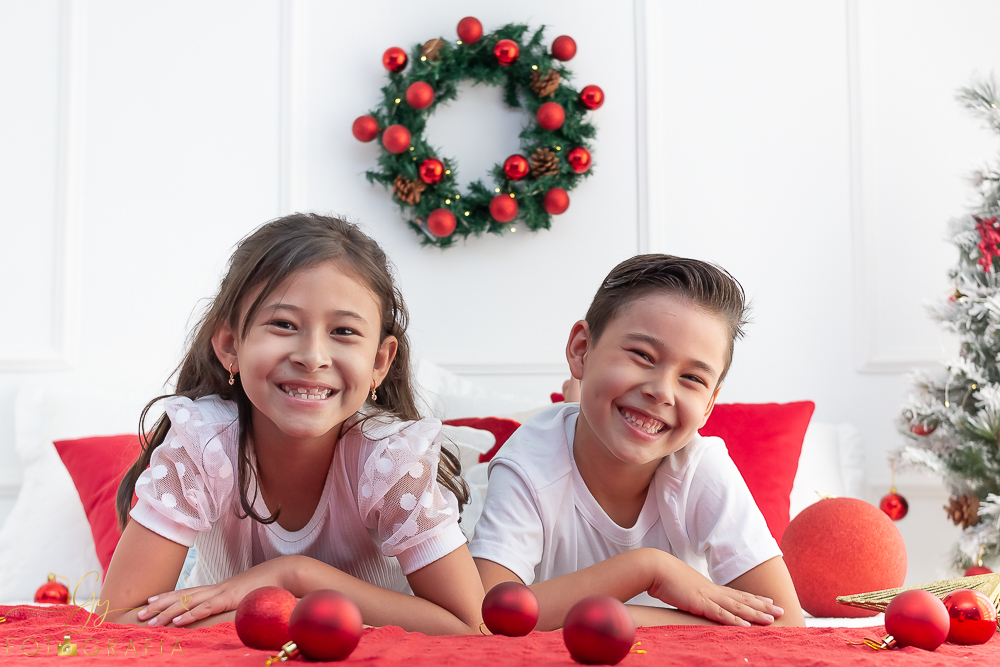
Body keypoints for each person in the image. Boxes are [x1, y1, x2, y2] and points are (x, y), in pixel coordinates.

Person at [100, 213, 485, 634]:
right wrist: (287, 612)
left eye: (343, 331)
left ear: (379, 362)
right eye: (283, 324)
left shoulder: (391, 462)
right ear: (230, 345)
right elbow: (118, 621)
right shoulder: (202, 446)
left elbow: (470, 628)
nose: (312, 357)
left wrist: (295, 576)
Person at [470, 255, 805, 630]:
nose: (662, 391)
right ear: (581, 349)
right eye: (643, 356)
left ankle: (576, 397)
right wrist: (647, 569)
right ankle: (573, 399)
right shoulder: (529, 463)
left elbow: (787, 627)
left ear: (710, 404)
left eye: (693, 378)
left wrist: (626, 617)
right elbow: (486, 619)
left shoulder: (700, 468)